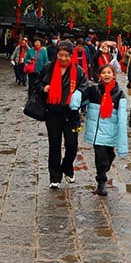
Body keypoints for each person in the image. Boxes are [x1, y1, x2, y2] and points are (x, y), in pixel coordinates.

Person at [36, 40, 88, 189]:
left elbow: (84, 87)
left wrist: (78, 94)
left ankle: (67, 167)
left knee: (72, 145)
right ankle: (55, 176)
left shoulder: (78, 71)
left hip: (71, 114)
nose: (63, 58)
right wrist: (43, 87)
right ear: (56, 54)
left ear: (71, 56)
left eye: (67, 55)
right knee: (55, 145)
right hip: (53, 112)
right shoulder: (49, 68)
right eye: (61, 55)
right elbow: (37, 83)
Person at [84, 64, 127, 195]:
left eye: (109, 72)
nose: (106, 75)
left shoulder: (119, 93)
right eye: (104, 73)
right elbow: (81, 99)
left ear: (114, 75)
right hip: (97, 131)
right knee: (100, 157)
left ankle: (104, 168)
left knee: (108, 155)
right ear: (99, 75)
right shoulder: (93, 90)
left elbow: (122, 115)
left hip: (111, 131)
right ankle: (101, 181)